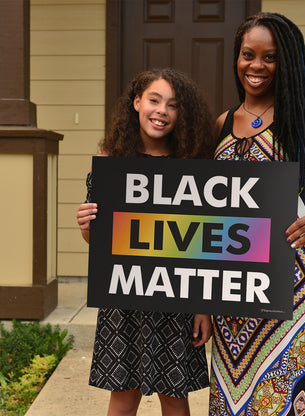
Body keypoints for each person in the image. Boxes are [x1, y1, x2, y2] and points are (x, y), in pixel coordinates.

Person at [209, 12, 305, 416]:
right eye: (248, 54)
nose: (256, 66)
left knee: (282, 384)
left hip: (287, 276)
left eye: (269, 57)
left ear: (287, 61)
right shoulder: (220, 125)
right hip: (229, 280)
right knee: (231, 389)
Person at [76, 68, 216, 416]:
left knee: (174, 398)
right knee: (123, 396)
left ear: (182, 114)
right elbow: (100, 240)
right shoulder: (111, 163)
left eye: (173, 104)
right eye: (154, 100)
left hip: (177, 297)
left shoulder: (193, 167)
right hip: (124, 298)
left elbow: (202, 243)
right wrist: (85, 225)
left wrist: (203, 307)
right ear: (137, 102)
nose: (162, 111)